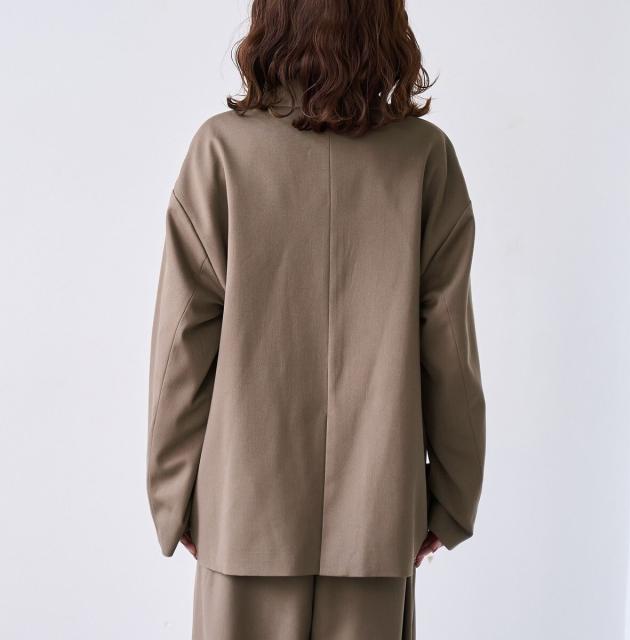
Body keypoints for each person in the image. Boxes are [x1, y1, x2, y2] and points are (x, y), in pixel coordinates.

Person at [146, 0, 486, 637]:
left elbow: (181, 346)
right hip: (376, 517)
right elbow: (449, 348)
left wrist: (173, 496)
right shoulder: (424, 158)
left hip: (245, 514)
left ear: (271, 20)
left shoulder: (222, 151)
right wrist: (452, 498)